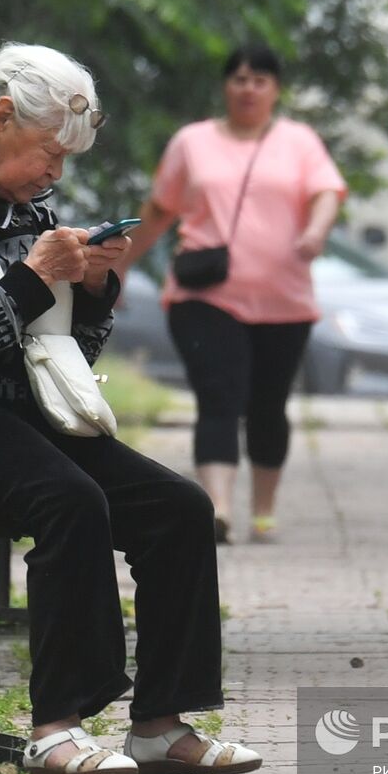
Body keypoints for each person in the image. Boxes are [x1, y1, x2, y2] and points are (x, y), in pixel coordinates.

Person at [0, 42, 261, 774]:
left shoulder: (28, 206)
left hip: (12, 413)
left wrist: (94, 288)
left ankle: (161, 725)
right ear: (1, 119)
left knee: (179, 506)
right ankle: (55, 729)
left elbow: (62, 346)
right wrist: (37, 275)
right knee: (69, 498)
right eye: (49, 152)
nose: (56, 174)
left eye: (66, 160)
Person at [117, 44, 346, 545]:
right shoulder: (192, 142)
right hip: (205, 297)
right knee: (219, 397)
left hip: (284, 302)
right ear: (225, 87)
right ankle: (217, 507)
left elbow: (327, 191)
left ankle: (264, 510)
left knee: (267, 405)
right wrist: (118, 269)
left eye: (260, 80)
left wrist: (316, 230)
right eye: (239, 79)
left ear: (275, 90)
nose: (248, 88)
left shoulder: (299, 141)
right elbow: (159, 210)